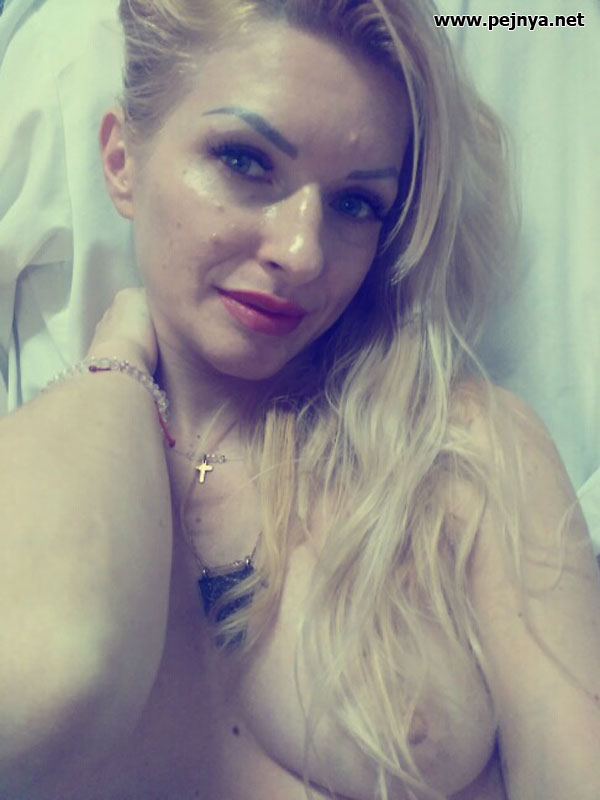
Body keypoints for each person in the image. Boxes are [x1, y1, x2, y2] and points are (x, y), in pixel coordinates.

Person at [1, 1, 598, 798]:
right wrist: (118, 359)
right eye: (245, 161)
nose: (302, 252)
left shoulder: (464, 454)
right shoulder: (39, 471)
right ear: (120, 161)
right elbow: (47, 672)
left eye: (355, 204)